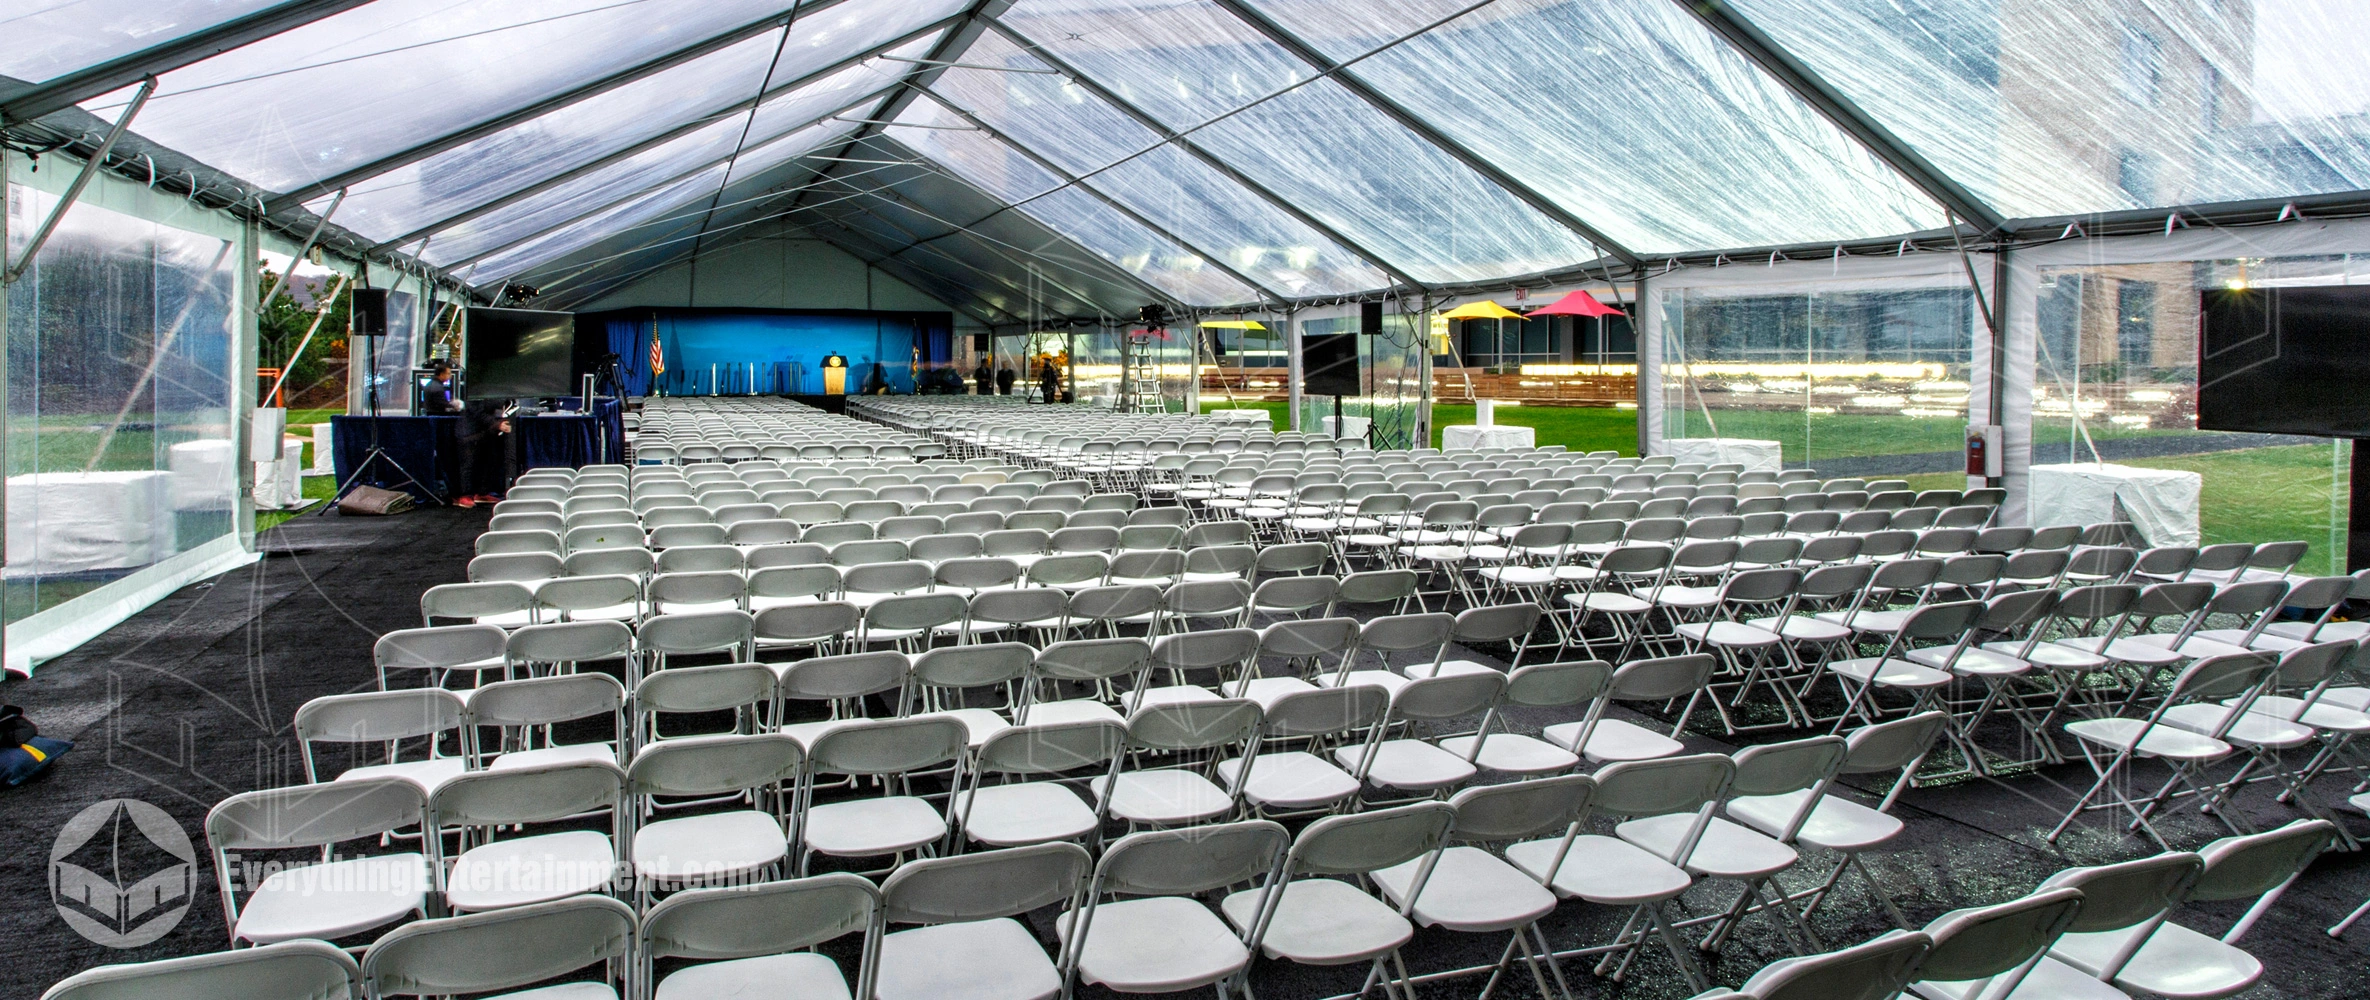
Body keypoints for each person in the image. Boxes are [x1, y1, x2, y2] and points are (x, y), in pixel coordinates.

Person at [452, 398, 513, 508]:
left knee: (487, 463)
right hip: (469, 433)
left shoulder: (492, 392)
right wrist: (497, 425)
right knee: (469, 465)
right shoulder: (474, 392)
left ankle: (482, 493)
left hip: (486, 432)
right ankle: (465, 495)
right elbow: (477, 413)